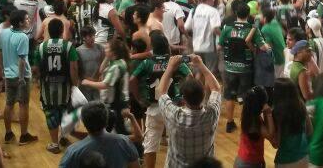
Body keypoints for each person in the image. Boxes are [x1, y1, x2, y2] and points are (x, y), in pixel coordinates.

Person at [130, 31, 192, 168]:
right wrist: (183, 97)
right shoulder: (174, 61)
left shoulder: (147, 62)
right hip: (173, 106)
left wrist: (139, 98)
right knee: (176, 144)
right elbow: (190, 76)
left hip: (154, 108)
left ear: (153, 46)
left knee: (150, 146)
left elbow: (132, 79)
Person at [158, 54, 222, 168]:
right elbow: (216, 88)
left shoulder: (174, 115)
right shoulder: (211, 114)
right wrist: (201, 64)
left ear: (183, 99)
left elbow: (161, 91)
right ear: (203, 95)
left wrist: (170, 67)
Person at [219, 2, 268, 133]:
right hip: (246, 68)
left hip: (229, 68)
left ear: (236, 13)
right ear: (248, 14)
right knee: (246, 96)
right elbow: (263, 47)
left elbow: (219, 46)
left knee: (229, 95)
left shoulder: (227, 28)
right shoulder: (251, 29)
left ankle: (229, 123)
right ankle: (245, 123)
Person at [34, 18, 80, 153]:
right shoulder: (68, 46)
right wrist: (75, 85)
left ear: (48, 31)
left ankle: (54, 144)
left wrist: (38, 81)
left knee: (51, 114)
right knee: (65, 112)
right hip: (65, 86)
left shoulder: (41, 47)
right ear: (61, 31)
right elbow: (73, 68)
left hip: (47, 87)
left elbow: (36, 68)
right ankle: (64, 137)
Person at [59, 102, 141, 168]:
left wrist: (72, 132)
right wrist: (131, 116)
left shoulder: (73, 151)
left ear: (84, 123)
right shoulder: (124, 142)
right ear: (106, 120)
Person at [0, 9, 37, 145]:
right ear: (20, 23)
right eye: (26, 19)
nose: (28, 21)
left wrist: (3, 70)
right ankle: (24, 135)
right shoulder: (23, 37)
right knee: (23, 105)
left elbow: (1, 52)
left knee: (9, 104)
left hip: (8, 74)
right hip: (21, 76)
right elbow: (21, 59)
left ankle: (8, 134)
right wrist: (21, 78)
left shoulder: (4, 33)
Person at [81, 39, 130, 136]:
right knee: (111, 130)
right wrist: (107, 57)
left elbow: (104, 85)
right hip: (116, 103)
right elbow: (101, 70)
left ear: (113, 52)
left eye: (107, 48)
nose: (105, 49)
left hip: (117, 104)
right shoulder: (118, 61)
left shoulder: (116, 67)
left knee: (120, 132)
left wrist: (87, 82)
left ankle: (134, 144)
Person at [272, 78, 311, 168]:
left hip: (286, 160)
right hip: (304, 156)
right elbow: (310, 131)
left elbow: (276, 144)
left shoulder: (277, 112)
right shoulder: (301, 105)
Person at [235, 86, 275, 168]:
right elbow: (270, 134)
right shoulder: (254, 122)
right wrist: (268, 114)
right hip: (249, 163)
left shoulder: (248, 114)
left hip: (244, 159)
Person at [185, 0, 222, 73]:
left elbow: (186, 27)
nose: (214, 0)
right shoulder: (213, 11)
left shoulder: (193, 11)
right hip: (209, 47)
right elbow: (215, 29)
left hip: (196, 46)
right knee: (209, 71)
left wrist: (189, 39)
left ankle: (197, 82)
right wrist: (223, 36)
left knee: (198, 71)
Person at [76, 26, 105, 101]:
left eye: (93, 35)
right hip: (84, 84)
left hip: (97, 82)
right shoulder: (78, 51)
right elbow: (77, 70)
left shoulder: (100, 48)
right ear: (84, 38)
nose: (93, 38)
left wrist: (99, 78)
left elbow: (102, 64)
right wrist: (85, 79)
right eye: (90, 36)